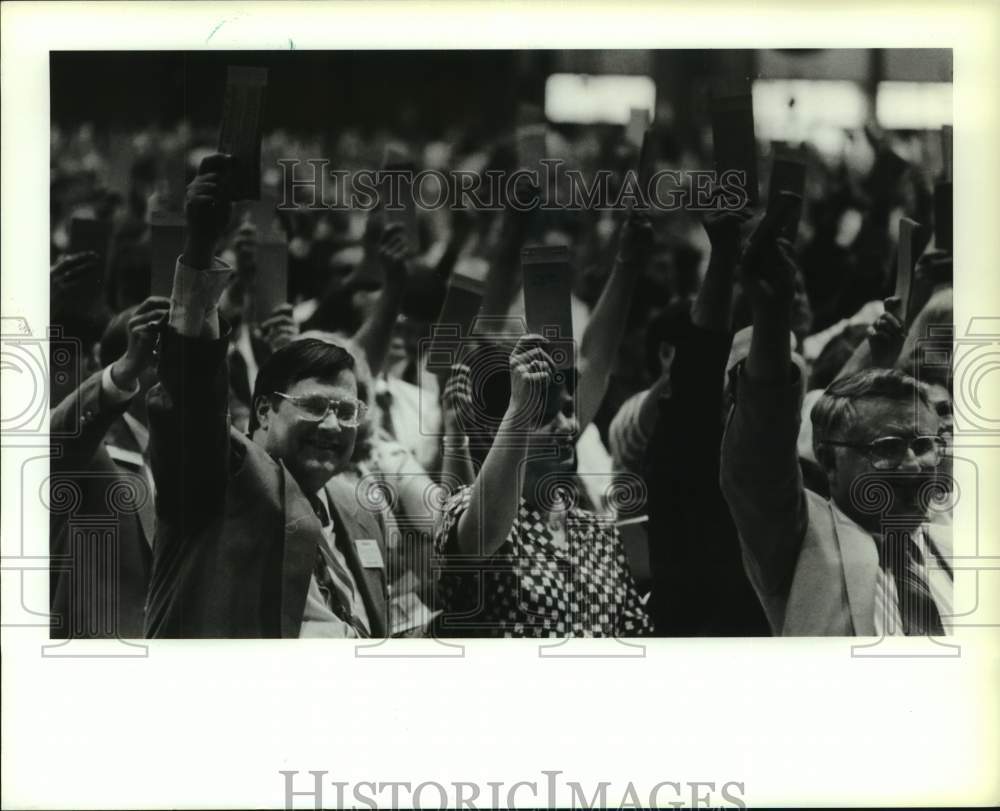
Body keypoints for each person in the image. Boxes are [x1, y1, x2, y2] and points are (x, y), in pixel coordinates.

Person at [144, 153, 390, 638]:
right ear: (263, 409)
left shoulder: (356, 506)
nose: (333, 425)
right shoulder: (222, 475)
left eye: (346, 411)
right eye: (314, 406)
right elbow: (191, 387)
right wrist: (201, 246)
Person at [720, 207, 952, 636]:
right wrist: (771, 315)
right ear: (828, 462)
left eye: (923, 445)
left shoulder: (958, 545)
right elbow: (760, 455)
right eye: (887, 448)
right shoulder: (802, 541)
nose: (912, 464)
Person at [432, 334, 653, 638]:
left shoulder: (598, 531)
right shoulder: (464, 511)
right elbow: (483, 534)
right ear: (498, 429)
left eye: (568, 410)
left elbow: (634, 633)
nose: (568, 426)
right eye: (545, 416)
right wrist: (520, 407)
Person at [50, 295, 170, 638]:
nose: (179, 373)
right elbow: (55, 441)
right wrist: (123, 371)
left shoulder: (194, 455)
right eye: (160, 359)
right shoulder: (93, 449)